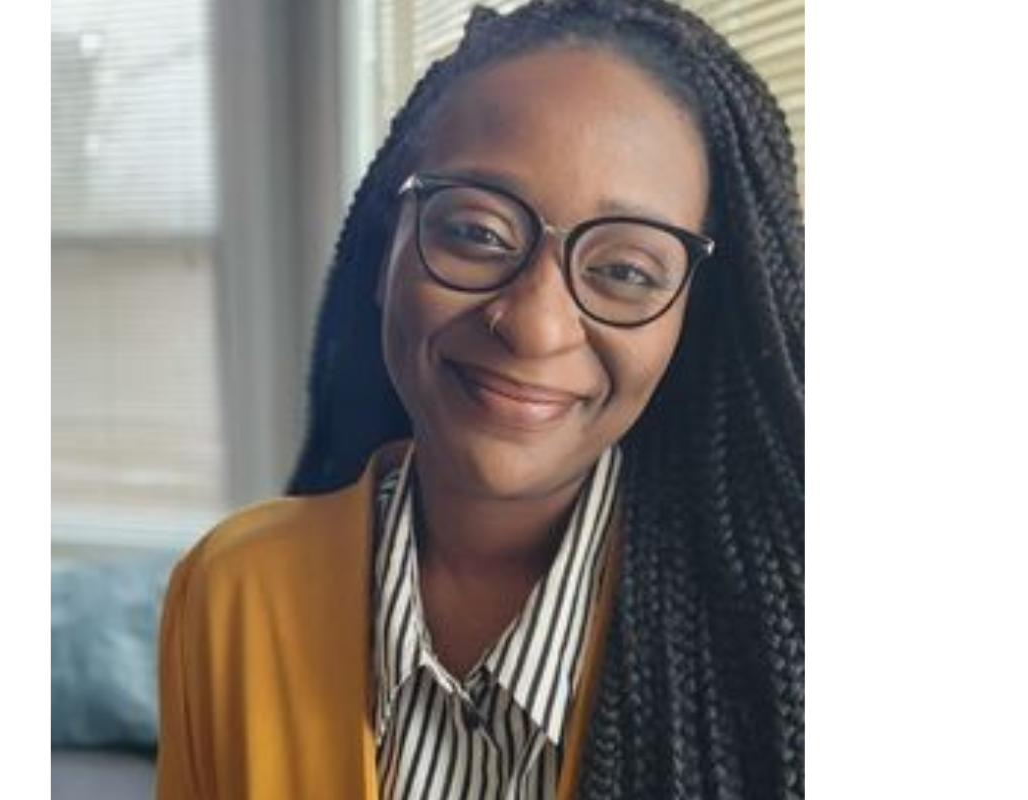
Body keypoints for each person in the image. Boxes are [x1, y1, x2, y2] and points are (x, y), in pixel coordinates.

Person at [155, 0, 804, 797]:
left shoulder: (786, 648)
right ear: (385, 245)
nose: (534, 326)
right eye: (477, 231)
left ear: (691, 322)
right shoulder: (232, 591)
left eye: (626, 270)